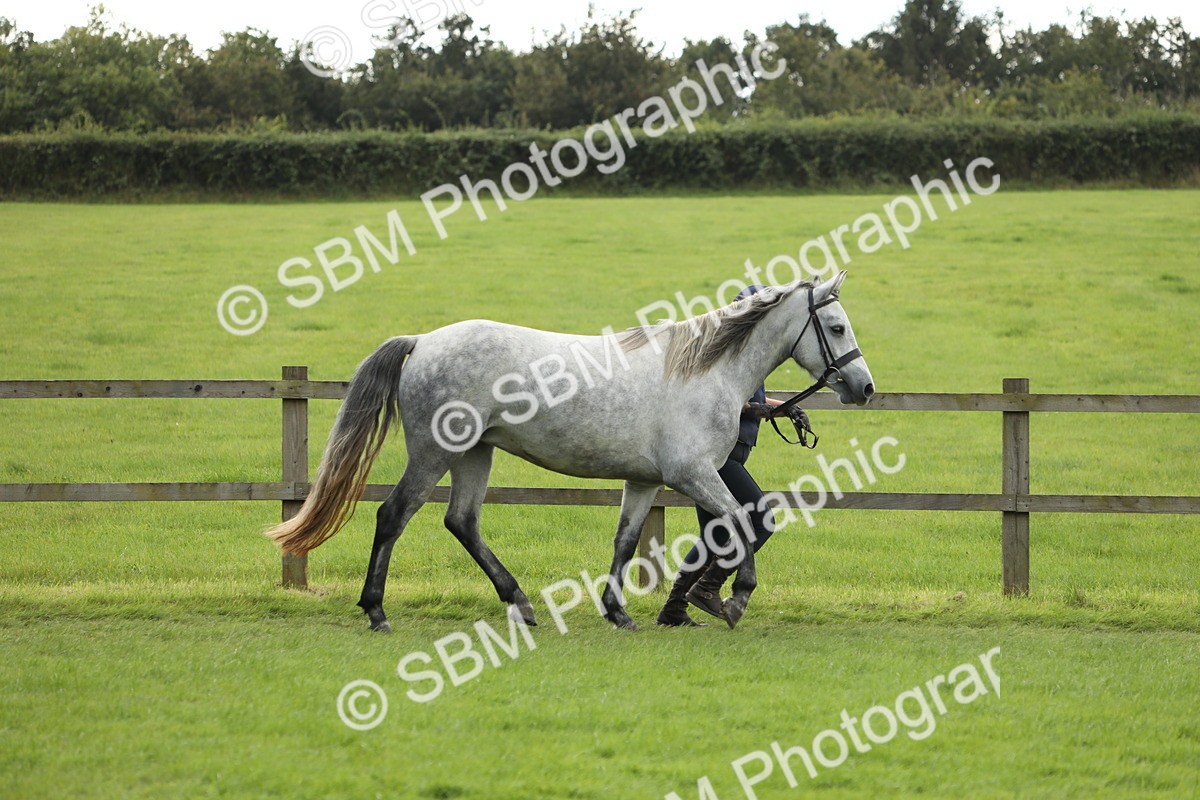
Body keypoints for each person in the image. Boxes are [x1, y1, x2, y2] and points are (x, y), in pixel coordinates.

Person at [656, 285, 809, 627]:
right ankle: (708, 587)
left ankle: (673, 610)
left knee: (714, 538)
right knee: (761, 520)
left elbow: (746, 400)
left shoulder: (750, 356)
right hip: (717, 458)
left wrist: (784, 408)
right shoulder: (724, 355)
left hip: (727, 454)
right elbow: (722, 401)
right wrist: (758, 410)